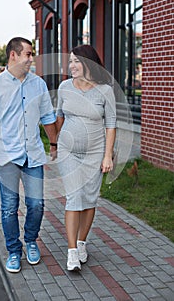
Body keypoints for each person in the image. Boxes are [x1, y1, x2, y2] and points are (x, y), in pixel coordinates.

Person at [0, 37, 57, 273]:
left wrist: (53, 143)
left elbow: (47, 117)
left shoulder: (38, 84)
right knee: (9, 206)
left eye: (31, 54)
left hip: (32, 153)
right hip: (5, 157)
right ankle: (14, 251)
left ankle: (31, 241)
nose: (31, 59)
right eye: (28, 54)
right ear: (13, 55)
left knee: (36, 204)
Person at [56, 44, 116, 271]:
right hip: (68, 152)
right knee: (74, 198)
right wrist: (55, 143)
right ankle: (72, 252)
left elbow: (110, 125)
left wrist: (107, 156)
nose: (71, 65)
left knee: (89, 199)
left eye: (76, 61)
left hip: (94, 153)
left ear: (88, 63)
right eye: (70, 61)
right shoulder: (64, 87)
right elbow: (59, 116)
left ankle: (81, 243)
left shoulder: (105, 91)